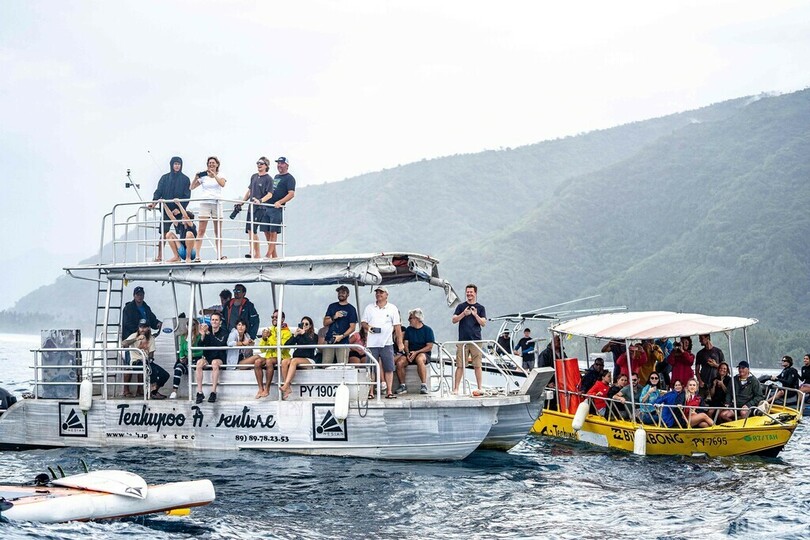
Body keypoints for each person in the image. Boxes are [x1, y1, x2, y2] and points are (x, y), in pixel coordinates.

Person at [362, 286, 403, 399]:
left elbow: (397, 327)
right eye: (377, 292)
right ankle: (370, 392)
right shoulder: (369, 308)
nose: (378, 294)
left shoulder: (392, 308)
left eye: (381, 292)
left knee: (389, 367)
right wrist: (368, 327)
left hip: (387, 343)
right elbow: (363, 322)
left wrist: (400, 342)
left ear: (386, 295)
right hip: (372, 343)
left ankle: (389, 391)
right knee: (371, 368)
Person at [148, 156, 190, 262]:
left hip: (178, 211)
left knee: (181, 233)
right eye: (175, 164)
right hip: (166, 210)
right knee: (164, 233)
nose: (177, 166)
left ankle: (182, 255)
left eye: (179, 164)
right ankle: (159, 256)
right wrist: (153, 203)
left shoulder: (185, 179)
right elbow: (158, 192)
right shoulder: (164, 178)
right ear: (171, 165)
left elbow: (187, 196)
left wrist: (180, 209)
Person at [451, 284, 486, 395]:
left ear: (475, 293)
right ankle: (456, 389)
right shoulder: (461, 306)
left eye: (471, 292)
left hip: (476, 340)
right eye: (467, 292)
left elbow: (483, 323)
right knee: (460, 365)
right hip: (462, 341)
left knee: (477, 365)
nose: (469, 294)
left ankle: (480, 387)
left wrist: (475, 315)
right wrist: (463, 314)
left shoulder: (481, 308)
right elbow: (454, 320)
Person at [121, 319, 170, 399]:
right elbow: (123, 343)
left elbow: (151, 354)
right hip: (136, 362)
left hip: (146, 361)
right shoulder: (134, 335)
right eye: (141, 327)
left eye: (145, 327)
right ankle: (153, 392)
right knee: (152, 370)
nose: (142, 329)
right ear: (138, 328)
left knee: (165, 375)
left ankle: (153, 392)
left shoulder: (151, 338)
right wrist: (136, 339)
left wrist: (150, 358)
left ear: (148, 328)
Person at [191, 156, 227, 260]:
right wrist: (196, 177)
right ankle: (197, 255)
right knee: (201, 230)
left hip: (217, 203)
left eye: (213, 163)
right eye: (209, 163)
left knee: (218, 231)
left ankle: (219, 254)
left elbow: (222, 184)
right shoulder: (204, 177)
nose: (211, 164)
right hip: (205, 203)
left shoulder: (221, 175)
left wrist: (214, 174)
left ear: (217, 164)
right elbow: (191, 187)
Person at [120, 286, 161, 378]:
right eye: (137, 295)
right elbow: (127, 324)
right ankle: (126, 387)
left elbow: (152, 320)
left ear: (144, 295)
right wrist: (139, 332)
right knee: (129, 366)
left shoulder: (146, 307)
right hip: (131, 340)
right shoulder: (128, 308)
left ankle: (140, 386)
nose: (140, 296)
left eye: (141, 294)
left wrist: (158, 324)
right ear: (134, 295)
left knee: (143, 364)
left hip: (144, 340)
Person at [237, 157, 273, 259]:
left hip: (260, 208)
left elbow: (270, 194)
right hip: (251, 207)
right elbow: (249, 191)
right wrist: (242, 202)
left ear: (266, 165)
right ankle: (252, 251)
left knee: (253, 230)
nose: (259, 165)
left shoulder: (268, 179)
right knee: (249, 230)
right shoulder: (254, 176)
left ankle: (256, 254)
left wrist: (260, 200)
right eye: (258, 163)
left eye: (261, 163)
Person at [394, 308, 435, 395]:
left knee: (420, 359)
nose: (408, 320)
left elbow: (429, 347)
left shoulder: (428, 330)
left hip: (423, 353)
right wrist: (407, 353)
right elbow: (406, 344)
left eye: (410, 318)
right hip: (410, 353)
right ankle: (402, 385)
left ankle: (424, 385)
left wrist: (416, 352)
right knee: (400, 363)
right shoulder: (409, 330)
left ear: (417, 318)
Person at [262, 157, 296, 259]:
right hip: (267, 206)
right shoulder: (276, 176)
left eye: (281, 163)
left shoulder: (290, 178)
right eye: (278, 163)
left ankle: (268, 254)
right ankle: (274, 255)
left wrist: (280, 202)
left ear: (286, 165)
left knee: (273, 231)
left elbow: (291, 194)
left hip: (276, 208)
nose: (279, 165)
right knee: (266, 230)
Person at [253, 311, 292, 398]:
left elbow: (281, 347)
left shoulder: (287, 332)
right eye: (272, 317)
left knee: (269, 361)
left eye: (276, 317)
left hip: (282, 356)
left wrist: (270, 337)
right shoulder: (270, 330)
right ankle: (260, 389)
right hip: (269, 356)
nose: (274, 319)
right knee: (257, 362)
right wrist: (264, 339)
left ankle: (267, 389)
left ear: (282, 319)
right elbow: (262, 349)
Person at [279, 316, 319, 399]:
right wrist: (294, 336)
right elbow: (286, 345)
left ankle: (286, 384)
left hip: (308, 359)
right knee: (284, 361)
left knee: (294, 361)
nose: (304, 325)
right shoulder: (298, 336)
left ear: (310, 325)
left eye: (306, 324)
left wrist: (304, 334)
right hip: (297, 358)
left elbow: (312, 345)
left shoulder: (314, 336)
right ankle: (287, 387)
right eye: (302, 323)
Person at [195, 312, 229, 403]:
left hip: (219, 358)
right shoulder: (207, 330)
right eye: (213, 320)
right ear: (210, 321)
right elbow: (200, 345)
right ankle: (199, 392)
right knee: (199, 363)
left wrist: (208, 333)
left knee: (214, 363)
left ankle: (213, 392)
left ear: (220, 322)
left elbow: (219, 343)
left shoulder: (224, 332)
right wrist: (202, 335)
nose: (214, 321)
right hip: (208, 357)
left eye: (216, 320)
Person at [322, 285, 358, 364]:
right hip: (329, 339)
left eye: (343, 292)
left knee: (342, 365)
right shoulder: (332, 306)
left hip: (343, 341)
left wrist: (342, 336)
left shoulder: (351, 309)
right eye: (339, 292)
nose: (341, 294)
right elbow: (325, 323)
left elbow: (352, 327)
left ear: (348, 294)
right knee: (326, 364)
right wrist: (334, 317)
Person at [170, 318, 203, 399]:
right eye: (188, 324)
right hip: (186, 359)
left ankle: (198, 392)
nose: (190, 326)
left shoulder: (199, 336)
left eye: (193, 325)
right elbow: (181, 349)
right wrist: (181, 357)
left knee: (196, 366)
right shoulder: (183, 336)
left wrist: (192, 354)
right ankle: (174, 391)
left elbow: (202, 351)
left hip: (196, 359)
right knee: (178, 368)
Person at [695, 334, 725, 399]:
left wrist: (715, 365)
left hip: (715, 383)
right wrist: (700, 381)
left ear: (707, 338)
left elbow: (724, 368)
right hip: (704, 383)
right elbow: (697, 370)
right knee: (701, 401)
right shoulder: (700, 353)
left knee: (715, 401)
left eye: (701, 338)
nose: (700, 340)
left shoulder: (718, 351)